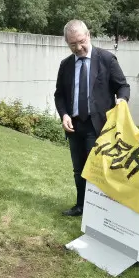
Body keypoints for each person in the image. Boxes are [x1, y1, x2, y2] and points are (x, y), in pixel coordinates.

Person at [54, 19, 130, 217]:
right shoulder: (66, 65)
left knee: (97, 171)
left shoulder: (106, 59)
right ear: (67, 43)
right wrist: (64, 115)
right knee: (79, 169)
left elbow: (123, 86)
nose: (78, 47)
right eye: (72, 44)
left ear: (88, 35)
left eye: (81, 41)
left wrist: (122, 100)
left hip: (98, 127)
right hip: (74, 126)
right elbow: (59, 95)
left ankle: (99, 212)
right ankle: (81, 206)